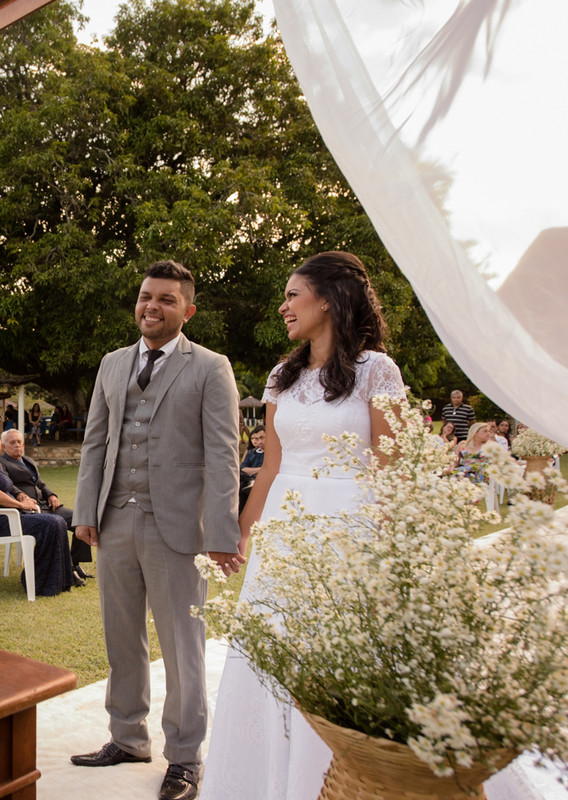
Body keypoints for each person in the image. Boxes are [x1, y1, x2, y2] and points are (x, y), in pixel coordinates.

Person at [200, 252, 409, 799]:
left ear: (329, 299)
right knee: (275, 650)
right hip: (286, 532)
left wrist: (389, 550)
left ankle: (339, 781)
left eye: (293, 295)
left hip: (353, 530)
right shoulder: (280, 376)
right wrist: (240, 533)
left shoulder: (377, 371)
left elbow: (392, 467)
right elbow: (270, 468)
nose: (283, 306)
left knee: (339, 654)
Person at [69, 260, 242, 800]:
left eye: (166, 300)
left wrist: (222, 532)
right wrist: (85, 512)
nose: (152, 306)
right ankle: (127, 737)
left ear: (187, 310)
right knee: (122, 637)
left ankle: (185, 757)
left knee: (182, 646)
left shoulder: (211, 367)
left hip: (179, 529)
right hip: (116, 520)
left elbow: (223, 453)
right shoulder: (112, 363)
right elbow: (95, 442)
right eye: (146, 297)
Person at [0, 423, 82, 595]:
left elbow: (10, 489)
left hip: (12, 516)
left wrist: (21, 496)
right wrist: (22, 505)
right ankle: (36, 580)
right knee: (54, 522)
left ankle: (60, 579)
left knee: (56, 522)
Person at [0, 427, 93, 581]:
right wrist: (19, 494)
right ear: (4, 446)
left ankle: (74, 563)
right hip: (31, 510)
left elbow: (40, 483)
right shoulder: (1, 463)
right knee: (58, 525)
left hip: (47, 505)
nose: (17, 445)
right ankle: (67, 570)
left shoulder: (28, 461)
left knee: (80, 519)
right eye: (12, 443)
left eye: (19, 442)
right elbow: (7, 484)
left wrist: (51, 494)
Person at [238, 424, 266, 513]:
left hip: (262, 480)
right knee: (237, 472)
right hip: (247, 480)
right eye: (257, 439)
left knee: (242, 485)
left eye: (262, 438)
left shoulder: (270, 454)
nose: (259, 441)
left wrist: (251, 470)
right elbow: (242, 469)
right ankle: (250, 481)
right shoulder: (251, 453)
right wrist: (261, 468)